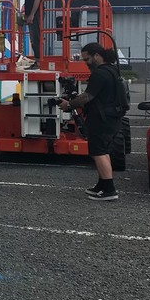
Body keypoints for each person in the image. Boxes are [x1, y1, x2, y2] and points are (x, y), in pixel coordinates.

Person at [57, 42, 121, 201]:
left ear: (97, 56)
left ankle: (110, 190)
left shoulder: (99, 74)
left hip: (101, 118)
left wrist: (69, 104)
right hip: (110, 117)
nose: (86, 63)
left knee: (98, 152)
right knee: (102, 151)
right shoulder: (112, 70)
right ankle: (102, 185)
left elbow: (87, 97)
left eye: (87, 59)